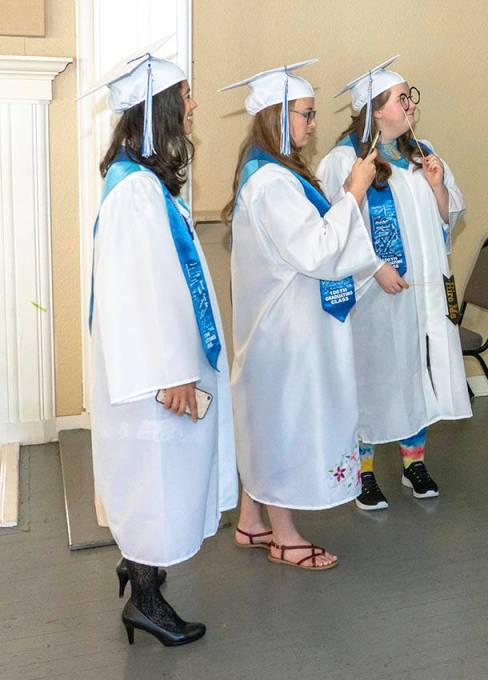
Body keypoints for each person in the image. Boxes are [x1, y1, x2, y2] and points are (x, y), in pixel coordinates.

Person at [85, 43, 237, 645]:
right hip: (155, 376)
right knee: (153, 480)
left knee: (161, 477)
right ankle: (144, 602)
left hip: (165, 367)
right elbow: (131, 298)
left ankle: (141, 568)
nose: (193, 104)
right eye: (184, 97)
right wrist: (170, 371)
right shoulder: (132, 195)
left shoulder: (145, 186)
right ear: (156, 113)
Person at [220, 59, 381, 569]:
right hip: (286, 330)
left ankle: (252, 520)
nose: (313, 124)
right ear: (277, 116)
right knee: (286, 421)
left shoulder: (272, 174)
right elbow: (316, 251)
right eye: (306, 114)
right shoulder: (270, 183)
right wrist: (354, 191)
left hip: (282, 322)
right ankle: (285, 536)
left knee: (268, 418)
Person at [317, 56, 470, 511]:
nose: (411, 105)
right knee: (375, 377)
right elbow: (334, 230)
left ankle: (413, 463)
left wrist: (440, 187)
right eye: (402, 98)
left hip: (424, 288)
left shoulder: (421, 152)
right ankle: (364, 474)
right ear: (375, 110)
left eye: (410, 96)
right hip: (376, 294)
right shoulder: (343, 160)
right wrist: (372, 267)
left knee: (416, 373)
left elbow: (449, 219)